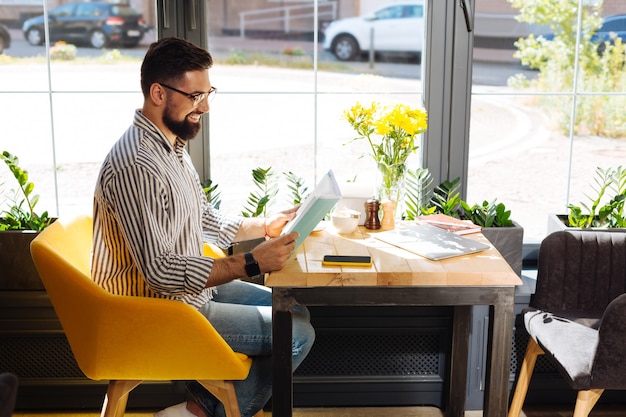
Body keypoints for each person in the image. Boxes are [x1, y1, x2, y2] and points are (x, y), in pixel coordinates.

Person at [91, 37, 315, 417]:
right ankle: (203, 412)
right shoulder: (137, 165)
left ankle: (205, 404)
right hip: (155, 311)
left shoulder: (170, 146)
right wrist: (252, 262)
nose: (206, 106)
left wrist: (265, 224)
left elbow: (202, 217)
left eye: (208, 93)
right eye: (196, 96)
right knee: (296, 334)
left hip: (189, 296)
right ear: (158, 93)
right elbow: (161, 272)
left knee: (295, 313)